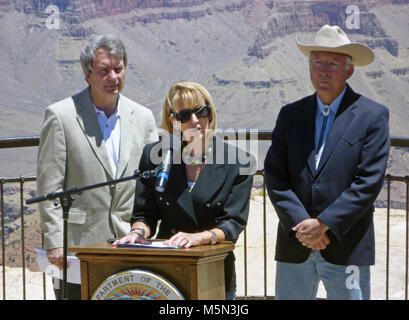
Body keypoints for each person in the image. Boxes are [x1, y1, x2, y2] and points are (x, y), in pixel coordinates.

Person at [264, 25, 390, 300]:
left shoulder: (372, 116)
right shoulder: (290, 115)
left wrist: (324, 223)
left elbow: (368, 183)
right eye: (317, 63)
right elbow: (275, 176)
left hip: (347, 245)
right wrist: (301, 223)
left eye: (332, 64)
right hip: (294, 244)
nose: (323, 71)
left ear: (349, 71)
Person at [37, 34, 158, 299]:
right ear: (87, 73)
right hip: (76, 249)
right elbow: (49, 189)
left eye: (119, 68)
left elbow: (152, 183)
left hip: (129, 245)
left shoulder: (144, 118)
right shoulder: (61, 116)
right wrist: (56, 242)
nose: (113, 77)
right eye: (104, 70)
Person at [113, 81, 256, 299]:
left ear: (211, 113)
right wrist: (138, 233)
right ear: (172, 121)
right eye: (185, 115)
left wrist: (199, 238)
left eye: (202, 112)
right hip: (166, 273)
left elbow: (233, 224)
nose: (195, 121)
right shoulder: (156, 157)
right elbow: (144, 215)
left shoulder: (239, 162)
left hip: (214, 272)